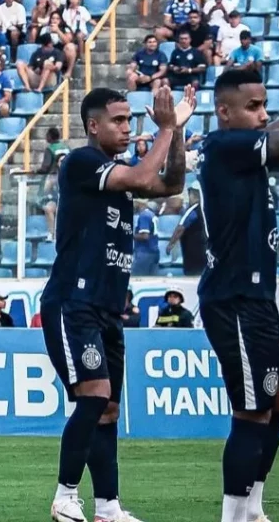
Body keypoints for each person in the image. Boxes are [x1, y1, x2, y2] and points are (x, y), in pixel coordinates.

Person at [41, 84, 193, 522]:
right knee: (93, 398)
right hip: (73, 301)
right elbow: (145, 178)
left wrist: (177, 133)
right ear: (94, 125)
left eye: (130, 119)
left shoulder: (118, 172)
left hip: (107, 307)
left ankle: (108, 508)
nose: (128, 128)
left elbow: (172, 184)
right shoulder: (81, 162)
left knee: (107, 410)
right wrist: (166, 127)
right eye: (119, 120)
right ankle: (65, 496)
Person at [196, 25, 279, 522]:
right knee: (253, 408)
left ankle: (252, 507)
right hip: (233, 298)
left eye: (264, 105)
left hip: (255, 299)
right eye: (253, 107)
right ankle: (233, 517)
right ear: (225, 112)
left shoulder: (244, 144)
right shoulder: (224, 146)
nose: (263, 114)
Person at [166, 184, 205, 275]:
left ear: (193, 195)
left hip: (192, 250)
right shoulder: (204, 209)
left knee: (192, 274)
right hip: (203, 249)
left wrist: (171, 244)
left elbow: (180, 228)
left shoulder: (192, 210)